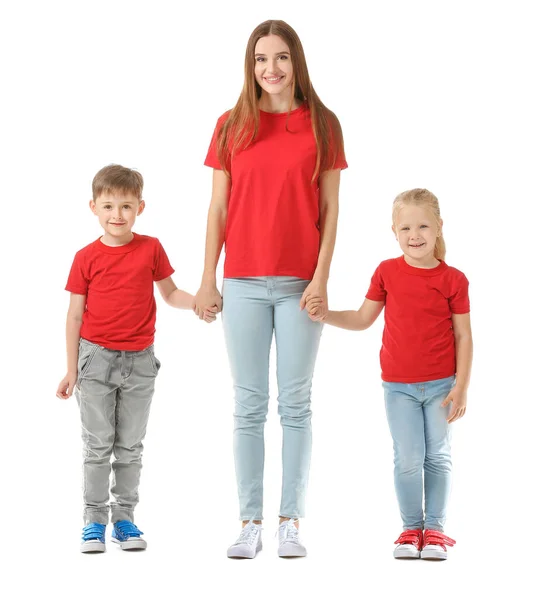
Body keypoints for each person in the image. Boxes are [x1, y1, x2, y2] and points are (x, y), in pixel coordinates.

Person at [194, 19, 347, 558]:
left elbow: (330, 212)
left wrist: (322, 280)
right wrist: (208, 278)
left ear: (296, 61)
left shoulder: (323, 125)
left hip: (300, 284)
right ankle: (249, 521)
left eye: (281, 57)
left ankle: (291, 522)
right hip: (240, 283)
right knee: (248, 404)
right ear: (250, 64)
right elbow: (217, 209)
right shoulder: (231, 124)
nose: (271, 69)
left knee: (297, 404)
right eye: (261, 59)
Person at [56, 164, 216, 553]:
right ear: (93, 207)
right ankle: (94, 522)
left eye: (126, 206)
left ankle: (124, 520)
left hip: (140, 361)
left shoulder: (151, 248)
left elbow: (172, 293)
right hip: (95, 360)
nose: (117, 215)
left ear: (140, 207)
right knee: (98, 445)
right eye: (108, 206)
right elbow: (75, 315)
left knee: (130, 446)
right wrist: (71, 368)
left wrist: (199, 302)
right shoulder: (85, 257)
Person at [306, 188, 473, 561]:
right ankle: (411, 529)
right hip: (398, 387)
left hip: (442, 386)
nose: (415, 235)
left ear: (439, 228)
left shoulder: (454, 280)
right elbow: (364, 319)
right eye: (407, 228)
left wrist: (461, 387)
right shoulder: (387, 272)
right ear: (394, 231)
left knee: (438, 456)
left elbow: (463, 335)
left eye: (424, 226)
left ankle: (436, 532)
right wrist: (326, 315)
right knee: (408, 457)